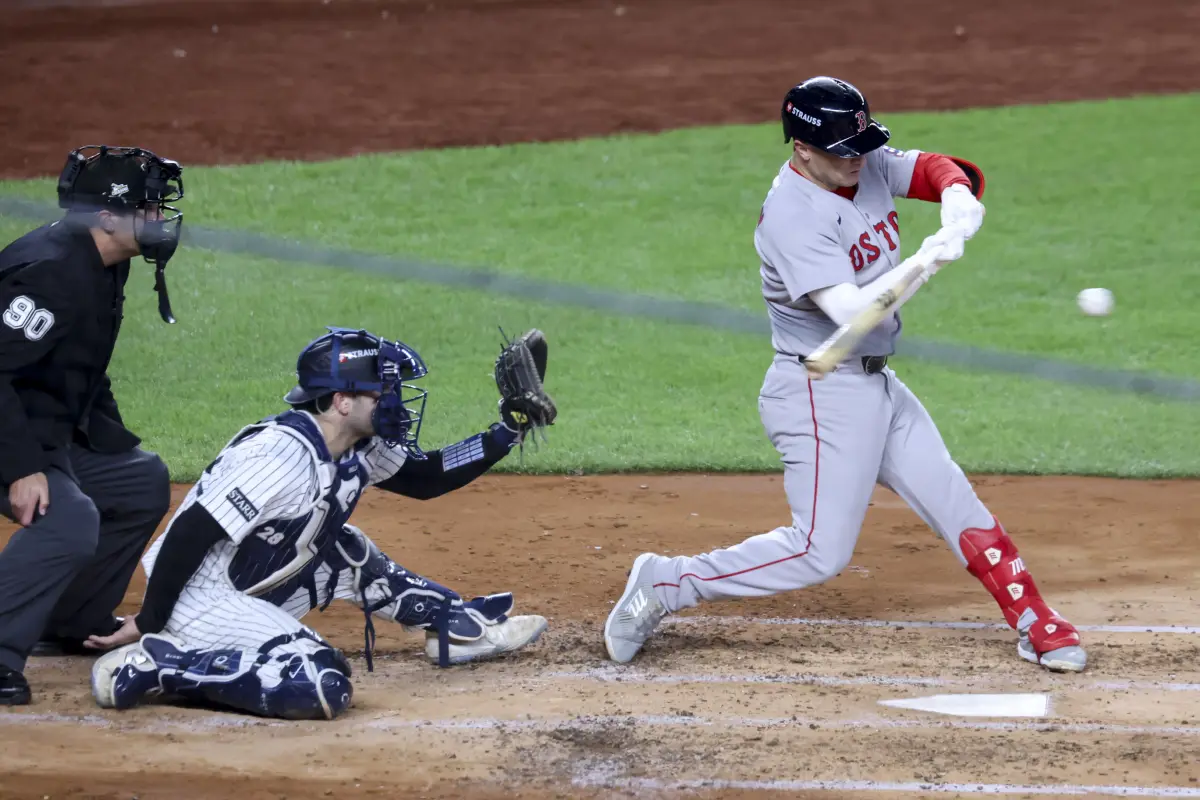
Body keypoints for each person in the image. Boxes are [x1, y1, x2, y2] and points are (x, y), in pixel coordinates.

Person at [603, 76, 1087, 673]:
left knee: (951, 496)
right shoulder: (792, 215)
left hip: (877, 385)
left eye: (860, 145)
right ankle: (667, 581)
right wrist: (926, 260)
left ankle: (1034, 616)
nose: (857, 159)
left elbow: (937, 167)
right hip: (818, 391)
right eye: (840, 149)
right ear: (802, 149)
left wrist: (957, 195)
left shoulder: (860, 160)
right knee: (817, 552)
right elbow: (852, 315)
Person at [88, 326, 556, 721]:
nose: (396, 400)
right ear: (341, 401)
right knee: (319, 683)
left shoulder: (358, 444)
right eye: (383, 391)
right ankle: (162, 662)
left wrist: (508, 428)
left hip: (256, 580)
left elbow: (426, 477)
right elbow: (190, 532)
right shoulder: (278, 456)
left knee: (344, 549)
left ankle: (457, 632)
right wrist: (151, 620)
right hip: (201, 600)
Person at [0, 145, 186, 705]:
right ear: (108, 216)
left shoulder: (103, 261)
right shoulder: (52, 273)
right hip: (11, 436)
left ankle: (70, 619)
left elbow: (78, 364)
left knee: (140, 481)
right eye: (149, 207)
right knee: (69, 518)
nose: (160, 219)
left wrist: (106, 441)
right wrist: (22, 467)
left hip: (37, 429)